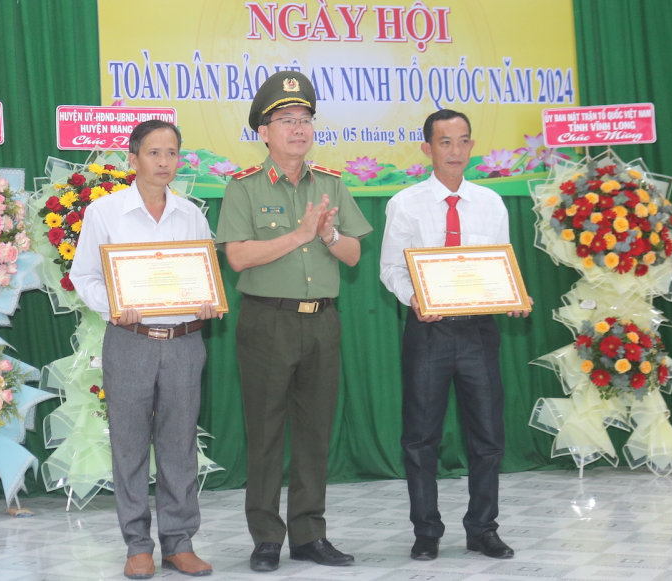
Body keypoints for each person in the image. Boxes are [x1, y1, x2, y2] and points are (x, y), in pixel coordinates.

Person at [216, 71, 372, 572]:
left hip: (322, 323)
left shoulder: (331, 183)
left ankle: (309, 534)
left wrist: (325, 235)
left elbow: (352, 256)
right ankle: (266, 538)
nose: (298, 128)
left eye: (304, 119)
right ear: (264, 131)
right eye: (286, 120)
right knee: (264, 433)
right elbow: (237, 257)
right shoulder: (241, 187)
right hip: (268, 322)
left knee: (314, 432)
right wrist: (300, 234)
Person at [380, 109, 531, 562]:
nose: (456, 151)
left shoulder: (491, 202)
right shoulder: (405, 203)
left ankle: (483, 528)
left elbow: (502, 267)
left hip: (480, 332)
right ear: (427, 148)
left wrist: (513, 295)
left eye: (464, 141)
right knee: (420, 438)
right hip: (429, 333)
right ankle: (426, 531)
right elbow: (390, 269)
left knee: (487, 436)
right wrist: (415, 299)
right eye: (445, 142)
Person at [71, 120, 220, 579]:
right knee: (129, 446)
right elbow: (85, 276)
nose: (163, 162)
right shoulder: (106, 212)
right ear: (132, 159)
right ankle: (137, 545)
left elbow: (204, 273)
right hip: (130, 342)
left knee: (179, 446)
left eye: (172, 153)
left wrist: (207, 299)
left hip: (183, 342)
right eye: (154, 153)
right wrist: (113, 306)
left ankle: (179, 542)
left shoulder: (191, 214)